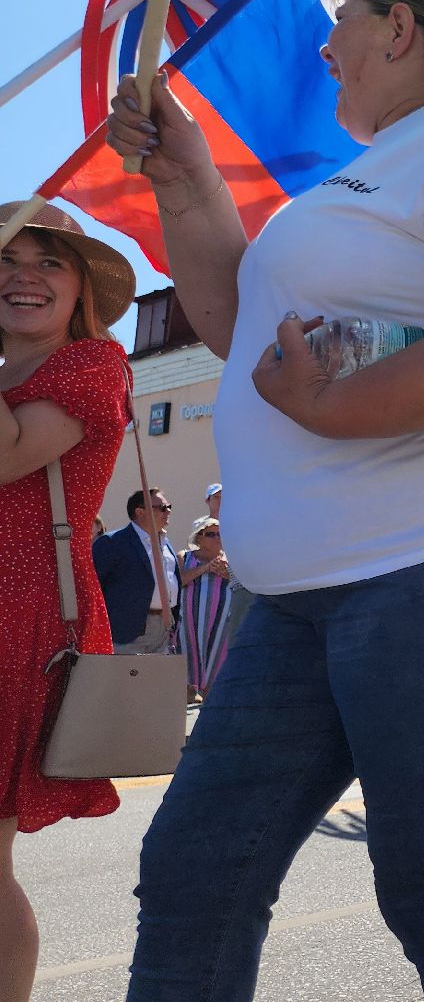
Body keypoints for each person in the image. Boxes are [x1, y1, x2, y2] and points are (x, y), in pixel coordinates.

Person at [111, 0, 424, 998]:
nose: (324, 48)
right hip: (301, 593)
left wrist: (333, 408)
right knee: (195, 871)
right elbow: (246, 338)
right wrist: (185, 179)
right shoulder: (350, 180)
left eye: (341, 24)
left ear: (398, 30)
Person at [0, 200, 134, 1000]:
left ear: (80, 287)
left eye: (48, 261)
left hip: (21, 619)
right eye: (8, 260)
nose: (24, 276)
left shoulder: (93, 365)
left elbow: (9, 456)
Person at [94, 487, 180, 654]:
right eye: (162, 508)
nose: (168, 512)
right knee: (125, 678)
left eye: (169, 507)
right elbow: (93, 587)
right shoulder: (113, 543)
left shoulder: (165, 543)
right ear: (140, 512)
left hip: (163, 628)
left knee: (155, 679)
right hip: (127, 631)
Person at [176, 515, 237, 700]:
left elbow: (243, 586)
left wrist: (226, 574)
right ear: (199, 537)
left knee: (216, 670)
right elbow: (180, 581)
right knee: (187, 671)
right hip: (190, 623)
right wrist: (205, 568)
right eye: (211, 534)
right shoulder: (185, 556)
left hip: (220, 624)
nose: (217, 538)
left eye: (220, 534)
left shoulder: (231, 559)